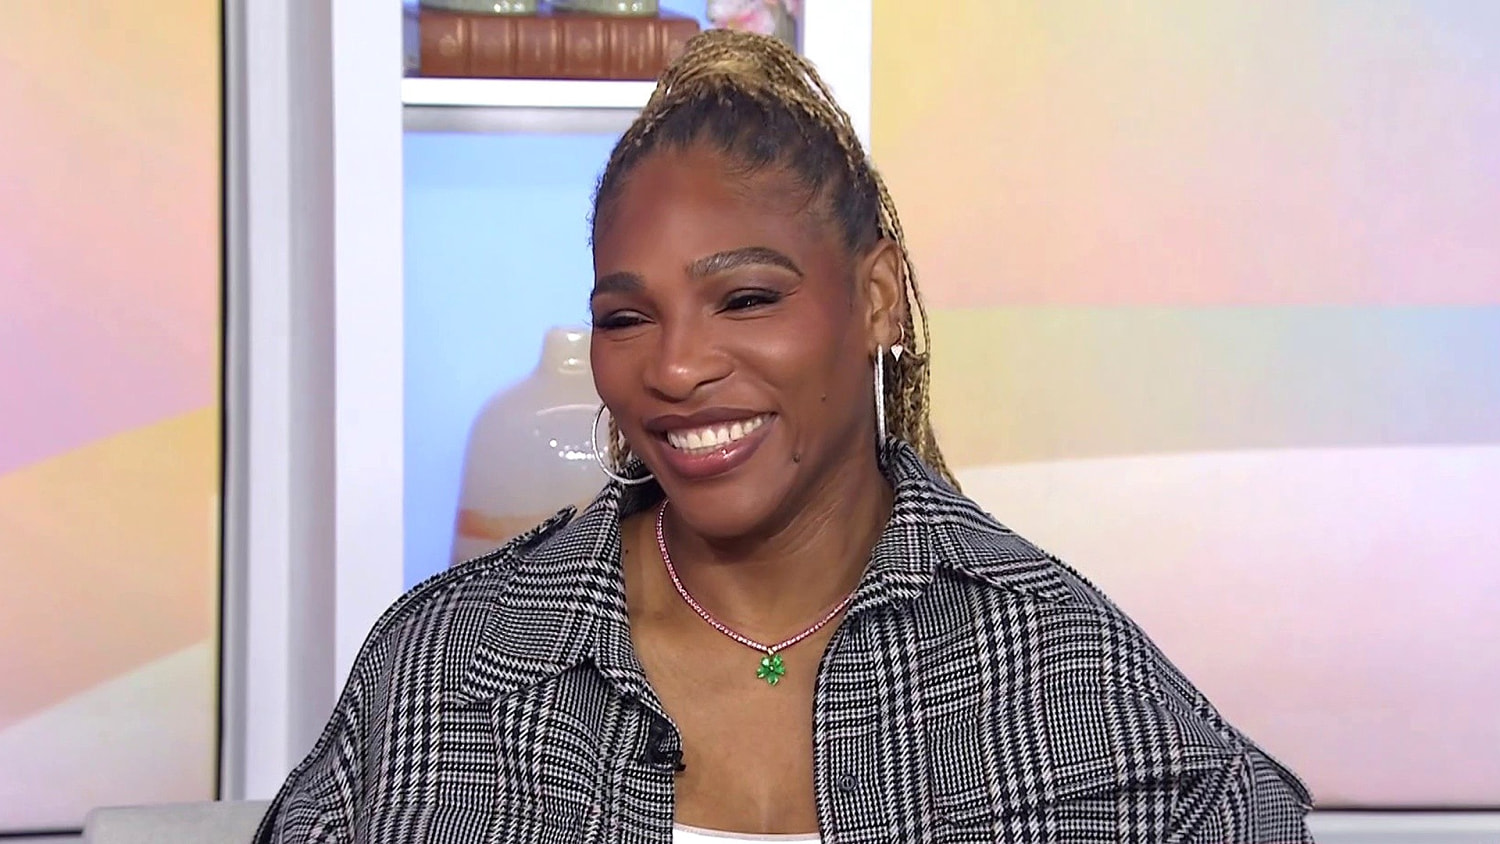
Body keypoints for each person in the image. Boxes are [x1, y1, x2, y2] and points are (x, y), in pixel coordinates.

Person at [254, 29, 1313, 844]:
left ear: (877, 299)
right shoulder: (451, 670)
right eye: (627, 317)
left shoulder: (1074, 681)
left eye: (747, 299)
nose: (675, 368)